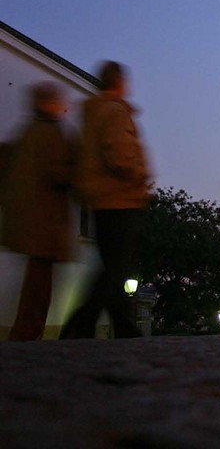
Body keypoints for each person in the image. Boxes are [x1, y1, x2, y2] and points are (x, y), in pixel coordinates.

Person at [60, 61, 151, 340]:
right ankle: (79, 324)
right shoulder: (114, 111)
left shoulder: (93, 113)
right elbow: (120, 152)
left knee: (113, 263)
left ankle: (122, 327)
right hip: (120, 197)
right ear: (119, 82)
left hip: (99, 199)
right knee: (115, 265)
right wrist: (139, 176)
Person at [0, 83, 78, 341]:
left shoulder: (27, 132)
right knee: (38, 285)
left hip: (29, 222)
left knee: (36, 282)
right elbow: (59, 173)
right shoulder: (49, 133)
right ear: (46, 103)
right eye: (58, 101)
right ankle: (26, 335)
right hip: (45, 224)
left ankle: (27, 333)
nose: (62, 107)